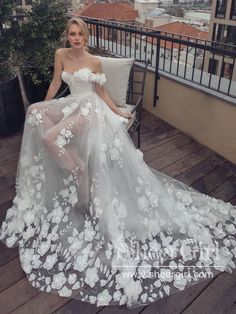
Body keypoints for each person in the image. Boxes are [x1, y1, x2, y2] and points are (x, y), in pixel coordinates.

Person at [0, 17, 236, 308]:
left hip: (88, 111)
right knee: (36, 113)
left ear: (85, 36)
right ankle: (75, 166)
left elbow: (99, 94)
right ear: (68, 37)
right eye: (72, 34)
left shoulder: (94, 62)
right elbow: (54, 83)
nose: (76, 38)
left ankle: (77, 168)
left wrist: (119, 112)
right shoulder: (61, 55)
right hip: (71, 106)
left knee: (50, 139)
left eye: (80, 34)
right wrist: (45, 106)